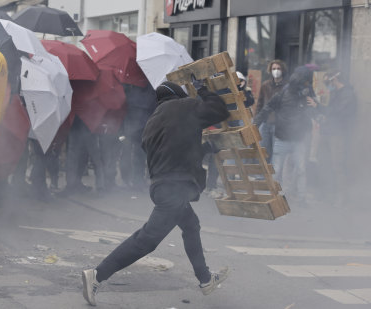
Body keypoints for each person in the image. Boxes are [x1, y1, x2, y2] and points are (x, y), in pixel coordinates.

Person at [81, 80, 230, 306]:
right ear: (178, 95)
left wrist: (206, 149)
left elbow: (173, 151)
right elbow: (220, 111)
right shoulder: (185, 106)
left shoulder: (153, 121)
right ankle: (97, 275)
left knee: (191, 226)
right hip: (175, 189)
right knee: (147, 240)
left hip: (164, 186)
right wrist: (203, 90)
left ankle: (205, 279)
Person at [254, 66, 317, 203]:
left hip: (298, 139)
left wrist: (315, 106)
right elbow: (266, 108)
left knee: (300, 170)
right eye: (306, 83)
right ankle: (274, 197)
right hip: (282, 138)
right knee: (277, 170)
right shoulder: (284, 93)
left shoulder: (308, 94)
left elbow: (314, 114)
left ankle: (301, 197)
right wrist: (254, 125)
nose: (307, 86)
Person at [316, 70, 357, 205]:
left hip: (338, 134)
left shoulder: (348, 94)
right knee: (324, 163)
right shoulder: (334, 93)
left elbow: (338, 112)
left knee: (337, 166)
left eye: (328, 82)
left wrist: (319, 107)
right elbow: (330, 113)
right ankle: (327, 194)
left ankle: (342, 198)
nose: (328, 85)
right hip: (327, 132)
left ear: (335, 80)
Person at [256, 60, 287, 163]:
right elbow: (260, 104)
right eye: (274, 69)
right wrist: (256, 121)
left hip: (278, 124)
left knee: (276, 151)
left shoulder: (286, 86)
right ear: (270, 70)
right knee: (264, 150)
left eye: (278, 68)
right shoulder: (265, 85)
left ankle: (273, 176)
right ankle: (262, 176)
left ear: (282, 70)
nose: (276, 71)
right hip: (265, 122)